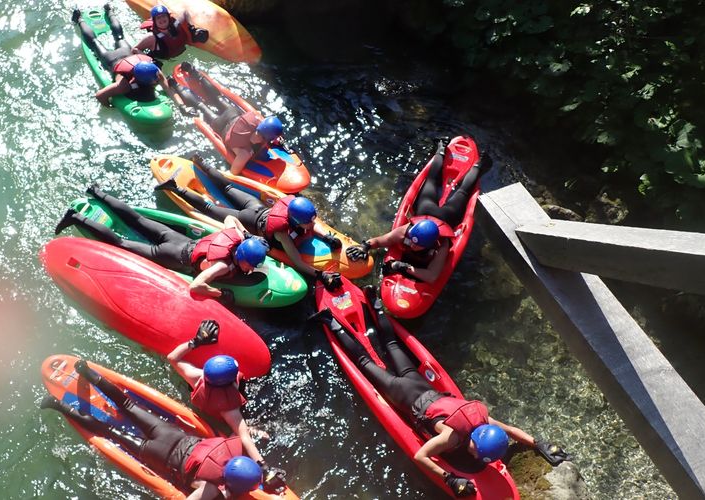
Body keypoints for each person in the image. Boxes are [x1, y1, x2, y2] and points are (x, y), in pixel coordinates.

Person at [312, 288, 570, 498]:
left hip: (420, 384)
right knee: (365, 363)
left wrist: (539, 444)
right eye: (476, 453)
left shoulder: (482, 419)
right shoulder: (451, 436)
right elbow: (420, 455)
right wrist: (449, 477)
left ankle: (374, 303)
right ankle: (331, 321)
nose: (473, 456)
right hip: (400, 393)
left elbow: (510, 430)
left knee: (391, 344)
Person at [40, 359, 287, 497]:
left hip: (169, 434)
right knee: (111, 432)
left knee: (126, 404)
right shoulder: (212, 489)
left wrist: (262, 459)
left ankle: (86, 371)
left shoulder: (231, 449)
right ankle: (58, 406)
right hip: (157, 453)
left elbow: (242, 435)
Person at [54, 184, 269, 302]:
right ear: (241, 257)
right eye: (252, 264)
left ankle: (97, 192)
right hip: (169, 254)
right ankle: (75, 217)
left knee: (138, 221)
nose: (252, 268)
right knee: (122, 245)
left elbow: (231, 219)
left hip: (180, 240)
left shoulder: (236, 236)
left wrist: (246, 236)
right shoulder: (222, 266)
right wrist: (220, 294)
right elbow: (196, 286)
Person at [156, 155, 343, 290]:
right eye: (306, 223)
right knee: (209, 209)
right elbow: (296, 260)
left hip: (256, 207)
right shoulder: (281, 233)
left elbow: (311, 224)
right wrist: (320, 275)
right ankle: (176, 187)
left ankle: (202, 162)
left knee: (228, 188)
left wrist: (327, 237)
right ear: (295, 220)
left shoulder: (297, 211)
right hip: (247, 219)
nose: (311, 225)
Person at [346, 141, 492, 283]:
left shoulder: (441, 245)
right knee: (431, 181)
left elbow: (431, 276)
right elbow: (380, 240)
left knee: (463, 192)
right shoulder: (406, 231)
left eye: (418, 245)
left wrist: (405, 268)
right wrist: (365, 247)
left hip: (447, 216)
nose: (412, 245)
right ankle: (440, 149)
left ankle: (480, 164)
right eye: (413, 240)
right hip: (426, 210)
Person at [166, 320, 272, 469]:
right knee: (250, 432)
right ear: (230, 382)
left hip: (206, 405)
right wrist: (264, 467)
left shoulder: (196, 377)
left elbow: (172, 357)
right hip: (224, 420)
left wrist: (196, 341)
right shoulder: (230, 409)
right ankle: (255, 429)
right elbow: (244, 437)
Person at [171, 62, 285, 175]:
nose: (258, 138)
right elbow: (234, 172)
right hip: (221, 124)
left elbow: (270, 130)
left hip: (233, 114)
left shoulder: (259, 121)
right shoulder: (245, 153)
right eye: (260, 135)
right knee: (202, 105)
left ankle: (186, 78)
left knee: (216, 99)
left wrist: (276, 140)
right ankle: (177, 85)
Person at [71, 6, 185, 109]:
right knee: (95, 42)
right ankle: (79, 18)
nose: (157, 81)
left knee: (119, 37)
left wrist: (181, 106)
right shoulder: (123, 86)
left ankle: (110, 11)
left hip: (127, 53)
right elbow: (100, 95)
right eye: (155, 81)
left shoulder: (155, 72)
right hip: (112, 59)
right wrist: (110, 106)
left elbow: (169, 90)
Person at [132, 5, 209, 61]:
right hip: (165, 60)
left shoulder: (175, 24)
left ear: (168, 17)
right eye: (158, 18)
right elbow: (135, 49)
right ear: (154, 21)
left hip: (184, 53)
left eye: (163, 16)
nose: (162, 19)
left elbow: (185, 12)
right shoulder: (151, 37)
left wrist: (192, 28)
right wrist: (149, 61)